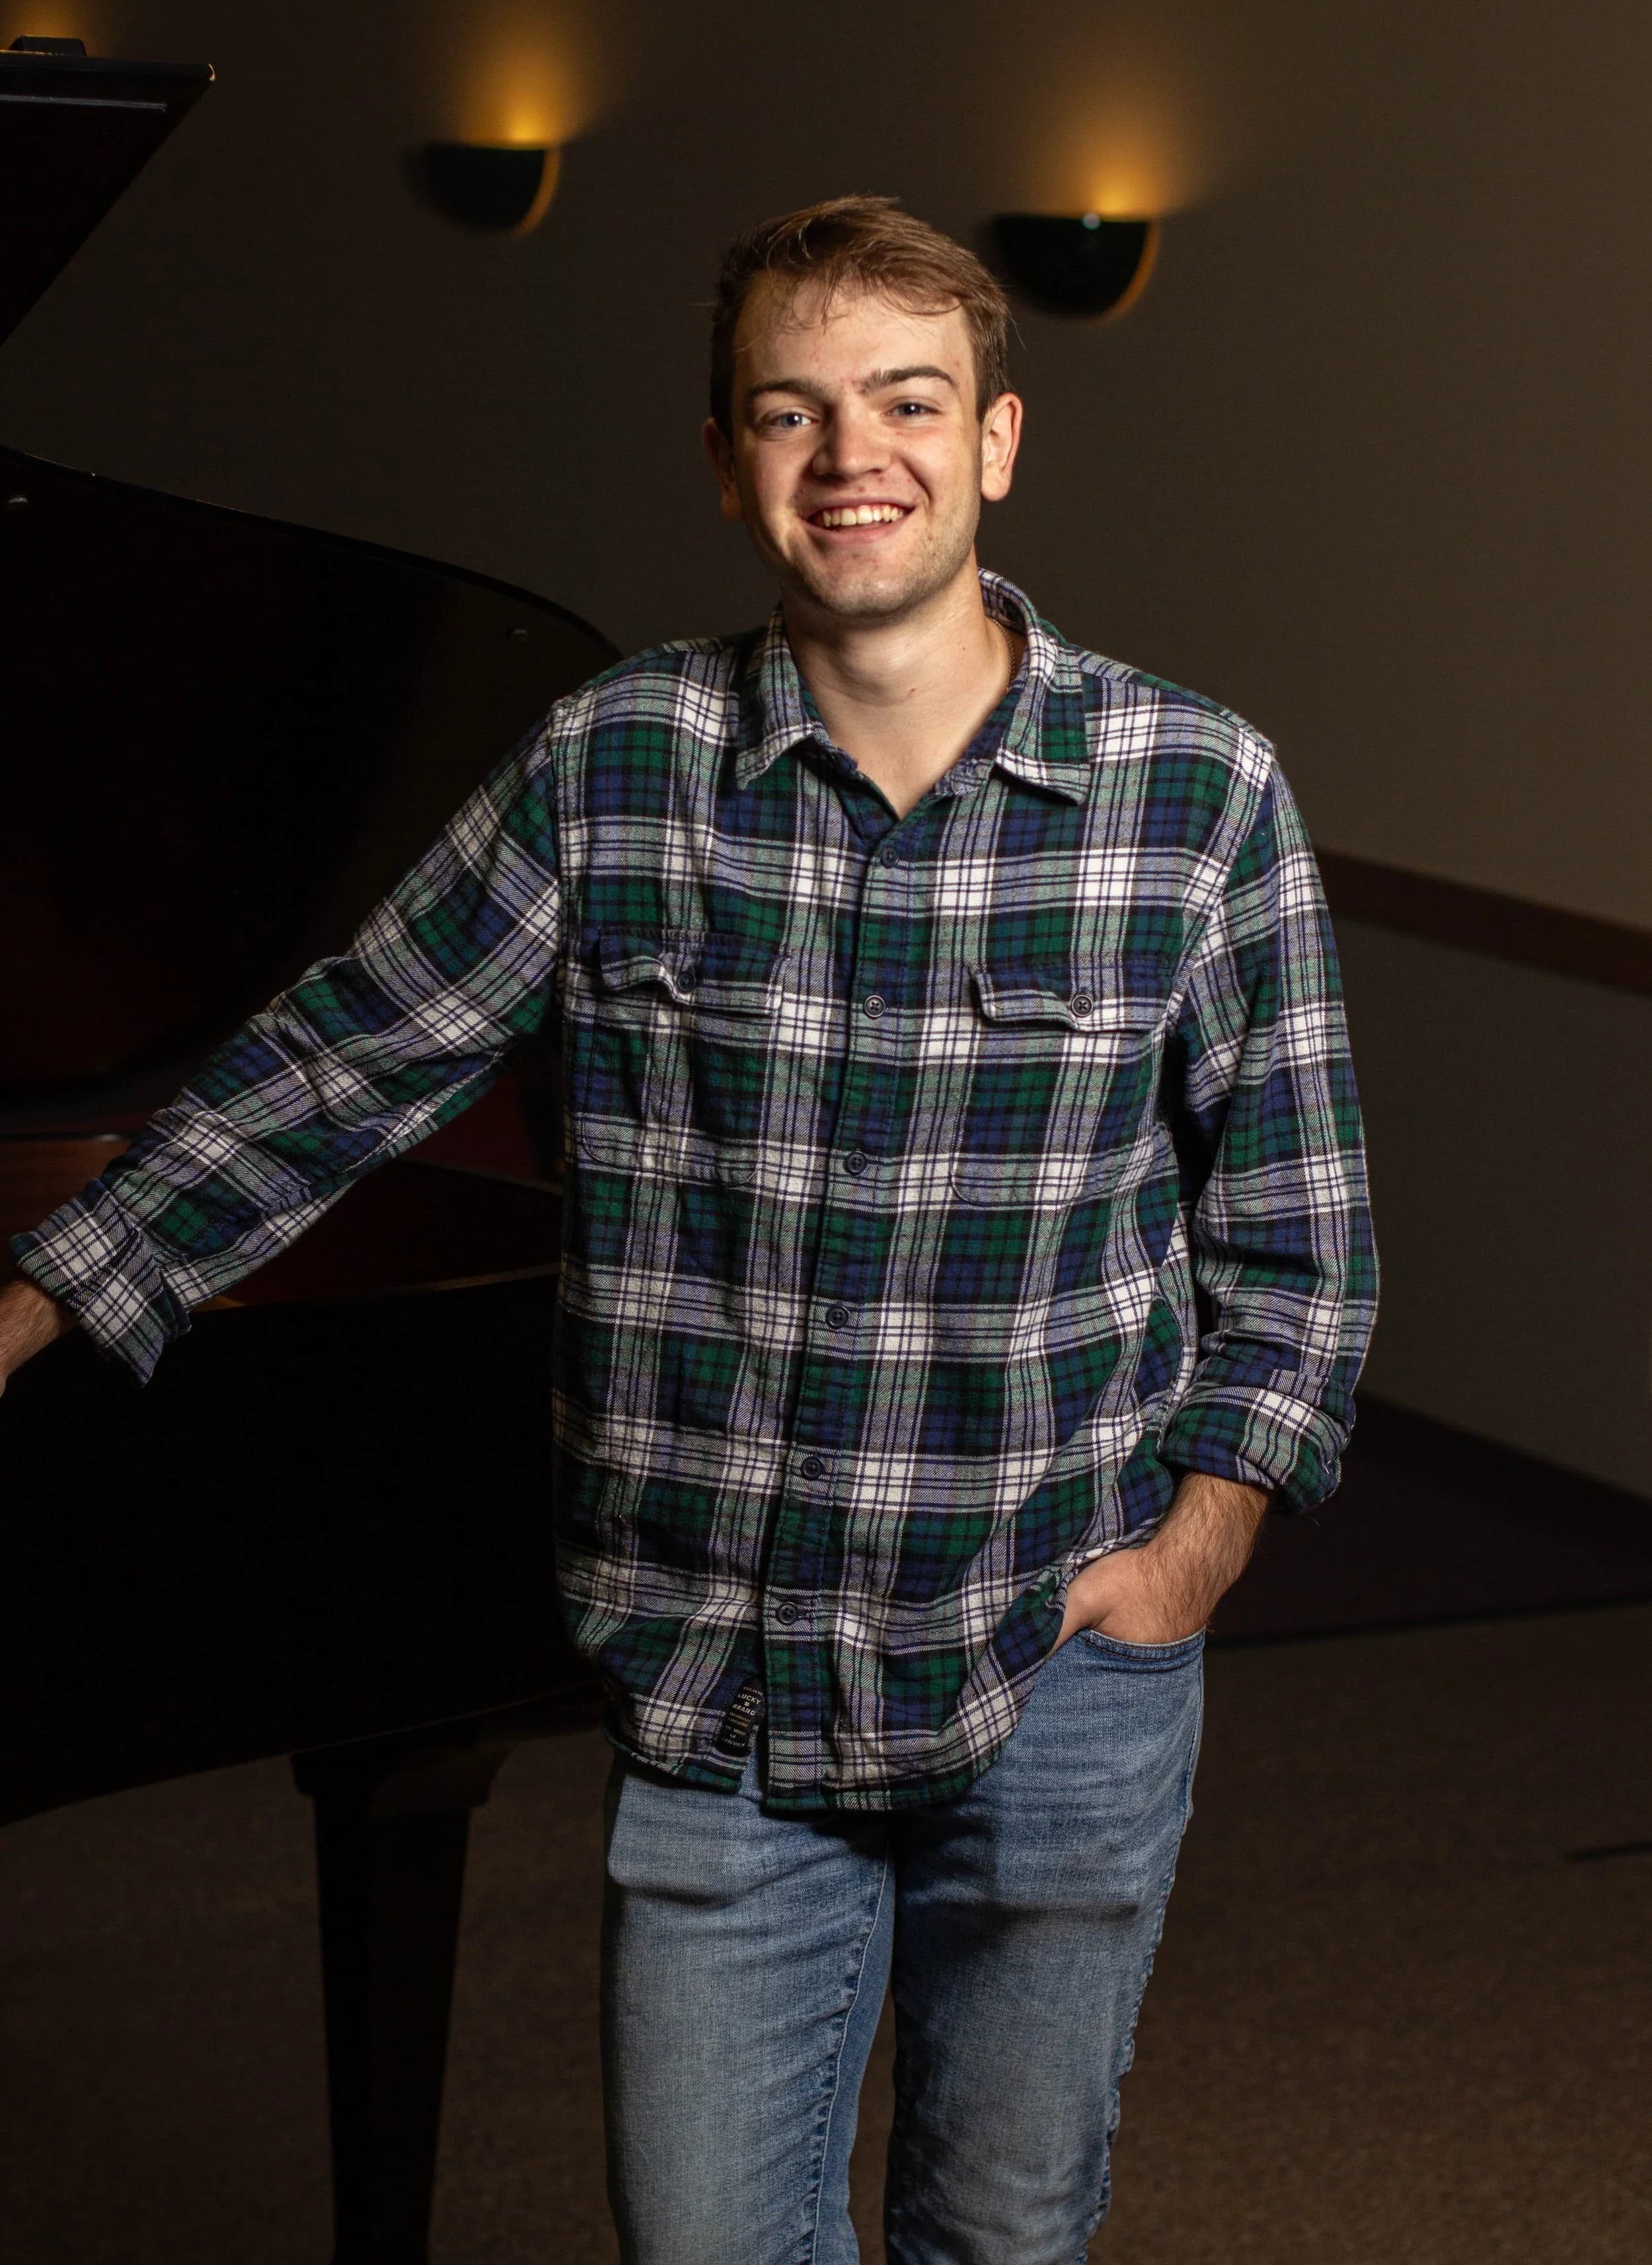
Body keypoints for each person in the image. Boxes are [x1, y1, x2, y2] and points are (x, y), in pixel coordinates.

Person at [1, 195, 1376, 2263]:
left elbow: (1300, 1237)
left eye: (908, 404)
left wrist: (1193, 1554)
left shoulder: (1194, 794)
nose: (854, 459)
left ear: (997, 440)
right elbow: (346, 1063)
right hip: (718, 1694)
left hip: (1057, 1667)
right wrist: (36, 1298)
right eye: (791, 412)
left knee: (1003, 2239)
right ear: (730, 459)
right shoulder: (613, 764)